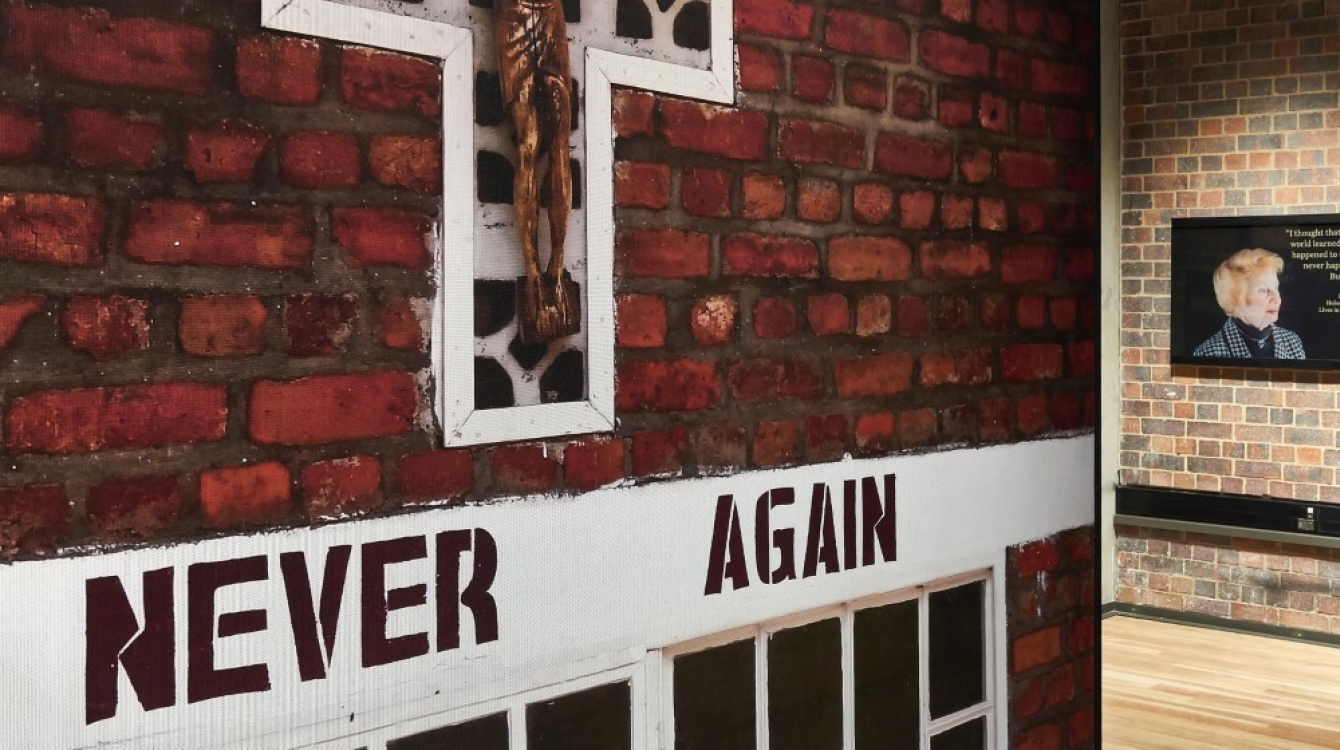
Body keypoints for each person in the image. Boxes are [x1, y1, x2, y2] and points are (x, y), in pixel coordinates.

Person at [494, 0, 579, 343]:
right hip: (513, 16)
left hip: (551, 14)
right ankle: (532, 271)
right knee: (528, 145)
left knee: (560, 144)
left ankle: (556, 268)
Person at [1192, 248, 1305, 359]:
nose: (1277, 298)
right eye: (1263, 290)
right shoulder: (1209, 353)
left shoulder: (1292, 342)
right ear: (1235, 302)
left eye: (1276, 287)